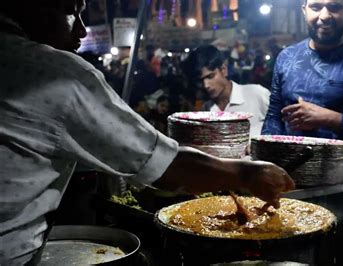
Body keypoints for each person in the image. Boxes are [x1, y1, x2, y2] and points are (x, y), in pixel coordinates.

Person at [0, 1, 294, 265]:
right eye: (70, 10)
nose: (81, 28)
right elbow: (165, 166)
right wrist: (245, 173)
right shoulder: (56, 74)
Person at [262, 0, 343, 192]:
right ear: (304, 10)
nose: (324, 16)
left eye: (334, 7)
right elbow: (274, 115)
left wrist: (329, 118)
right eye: (316, 7)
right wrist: (265, 154)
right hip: (291, 183)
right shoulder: (287, 57)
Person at [182, 45, 271, 137]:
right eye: (200, 80)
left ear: (224, 70)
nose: (206, 85)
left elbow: (283, 128)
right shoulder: (206, 110)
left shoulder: (256, 94)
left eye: (210, 76)